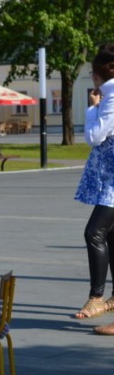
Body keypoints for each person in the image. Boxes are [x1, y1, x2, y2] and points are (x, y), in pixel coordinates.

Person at [74, 44, 114, 330]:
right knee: (111, 235)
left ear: (98, 74)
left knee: (94, 232)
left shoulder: (111, 94)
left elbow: (95, 136)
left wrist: (91, 108)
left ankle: (96, 298)